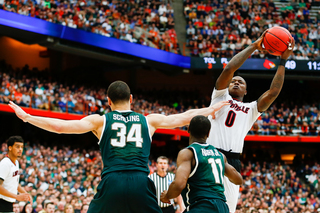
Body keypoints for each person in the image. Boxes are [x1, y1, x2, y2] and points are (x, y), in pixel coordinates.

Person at [9, 81, 229, 213]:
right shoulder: (148, 120)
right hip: (142, 183)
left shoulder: (99, 120)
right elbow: (183, 117)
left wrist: (28, 117)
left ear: (108, 101)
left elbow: (60, 127)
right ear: (131, 99)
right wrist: (211, 109)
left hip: (112, 181)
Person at [206, 30, 295, 212]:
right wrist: (255, 45)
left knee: (227, 209)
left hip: (232, 160)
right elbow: (230, 69)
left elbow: (273, 92)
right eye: (233, 82)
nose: (236, 82)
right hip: (209, 154)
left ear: (246, 92)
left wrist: (283, 61)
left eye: (241, 82)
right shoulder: (219, 96)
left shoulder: (251, 109)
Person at [160, 115, 243, 212]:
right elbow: (238, 180)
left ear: (188, 129)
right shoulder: (220, 155)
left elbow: (179, 184)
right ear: (208, 133)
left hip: (201, 205)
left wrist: (167, 196)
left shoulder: (188, 153)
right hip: (222, 207)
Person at [0, 136, 32, 213]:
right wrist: (17, 197)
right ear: (10, 148)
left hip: (9, 204)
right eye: (17, 147)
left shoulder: (16, 162)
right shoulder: (5, 163)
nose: (20, 149)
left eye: (21, 147)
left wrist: (25, 193)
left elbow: (14, 183)